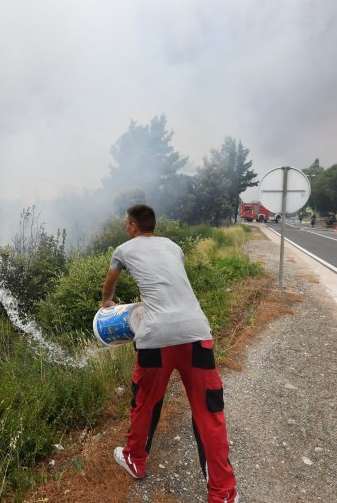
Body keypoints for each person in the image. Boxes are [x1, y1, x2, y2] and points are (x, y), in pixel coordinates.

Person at [101, 204, 238, 503]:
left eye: (127, 223)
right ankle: (224, 494)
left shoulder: (123, 250)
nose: (126, 228)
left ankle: (135, 460)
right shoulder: (174, 246)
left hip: (156, 339)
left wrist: (107, 303)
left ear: (134, 226)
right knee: (209, 412)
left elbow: (110, 282)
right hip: (196, 333)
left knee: (144, 403)